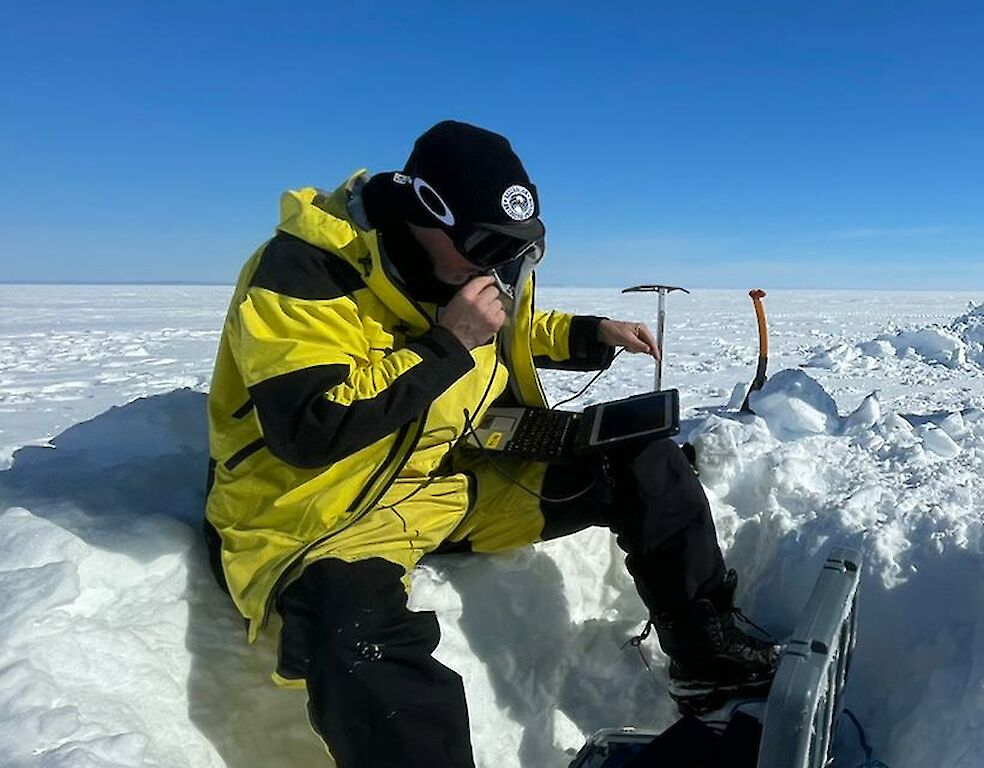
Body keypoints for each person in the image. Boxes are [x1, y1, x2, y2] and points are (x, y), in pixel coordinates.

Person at [202, 120, 777, 767]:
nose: (502, 272)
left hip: (449, 477)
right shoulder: (304, 271)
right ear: (424, 214)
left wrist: (590, 333)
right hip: (325, 517)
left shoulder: (480, 268)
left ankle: (708, 657)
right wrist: (445, 345)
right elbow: (310, 429)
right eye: (488, 250)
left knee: (641, 457)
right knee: (356, 647)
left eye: (520, 253)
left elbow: (508, 328)